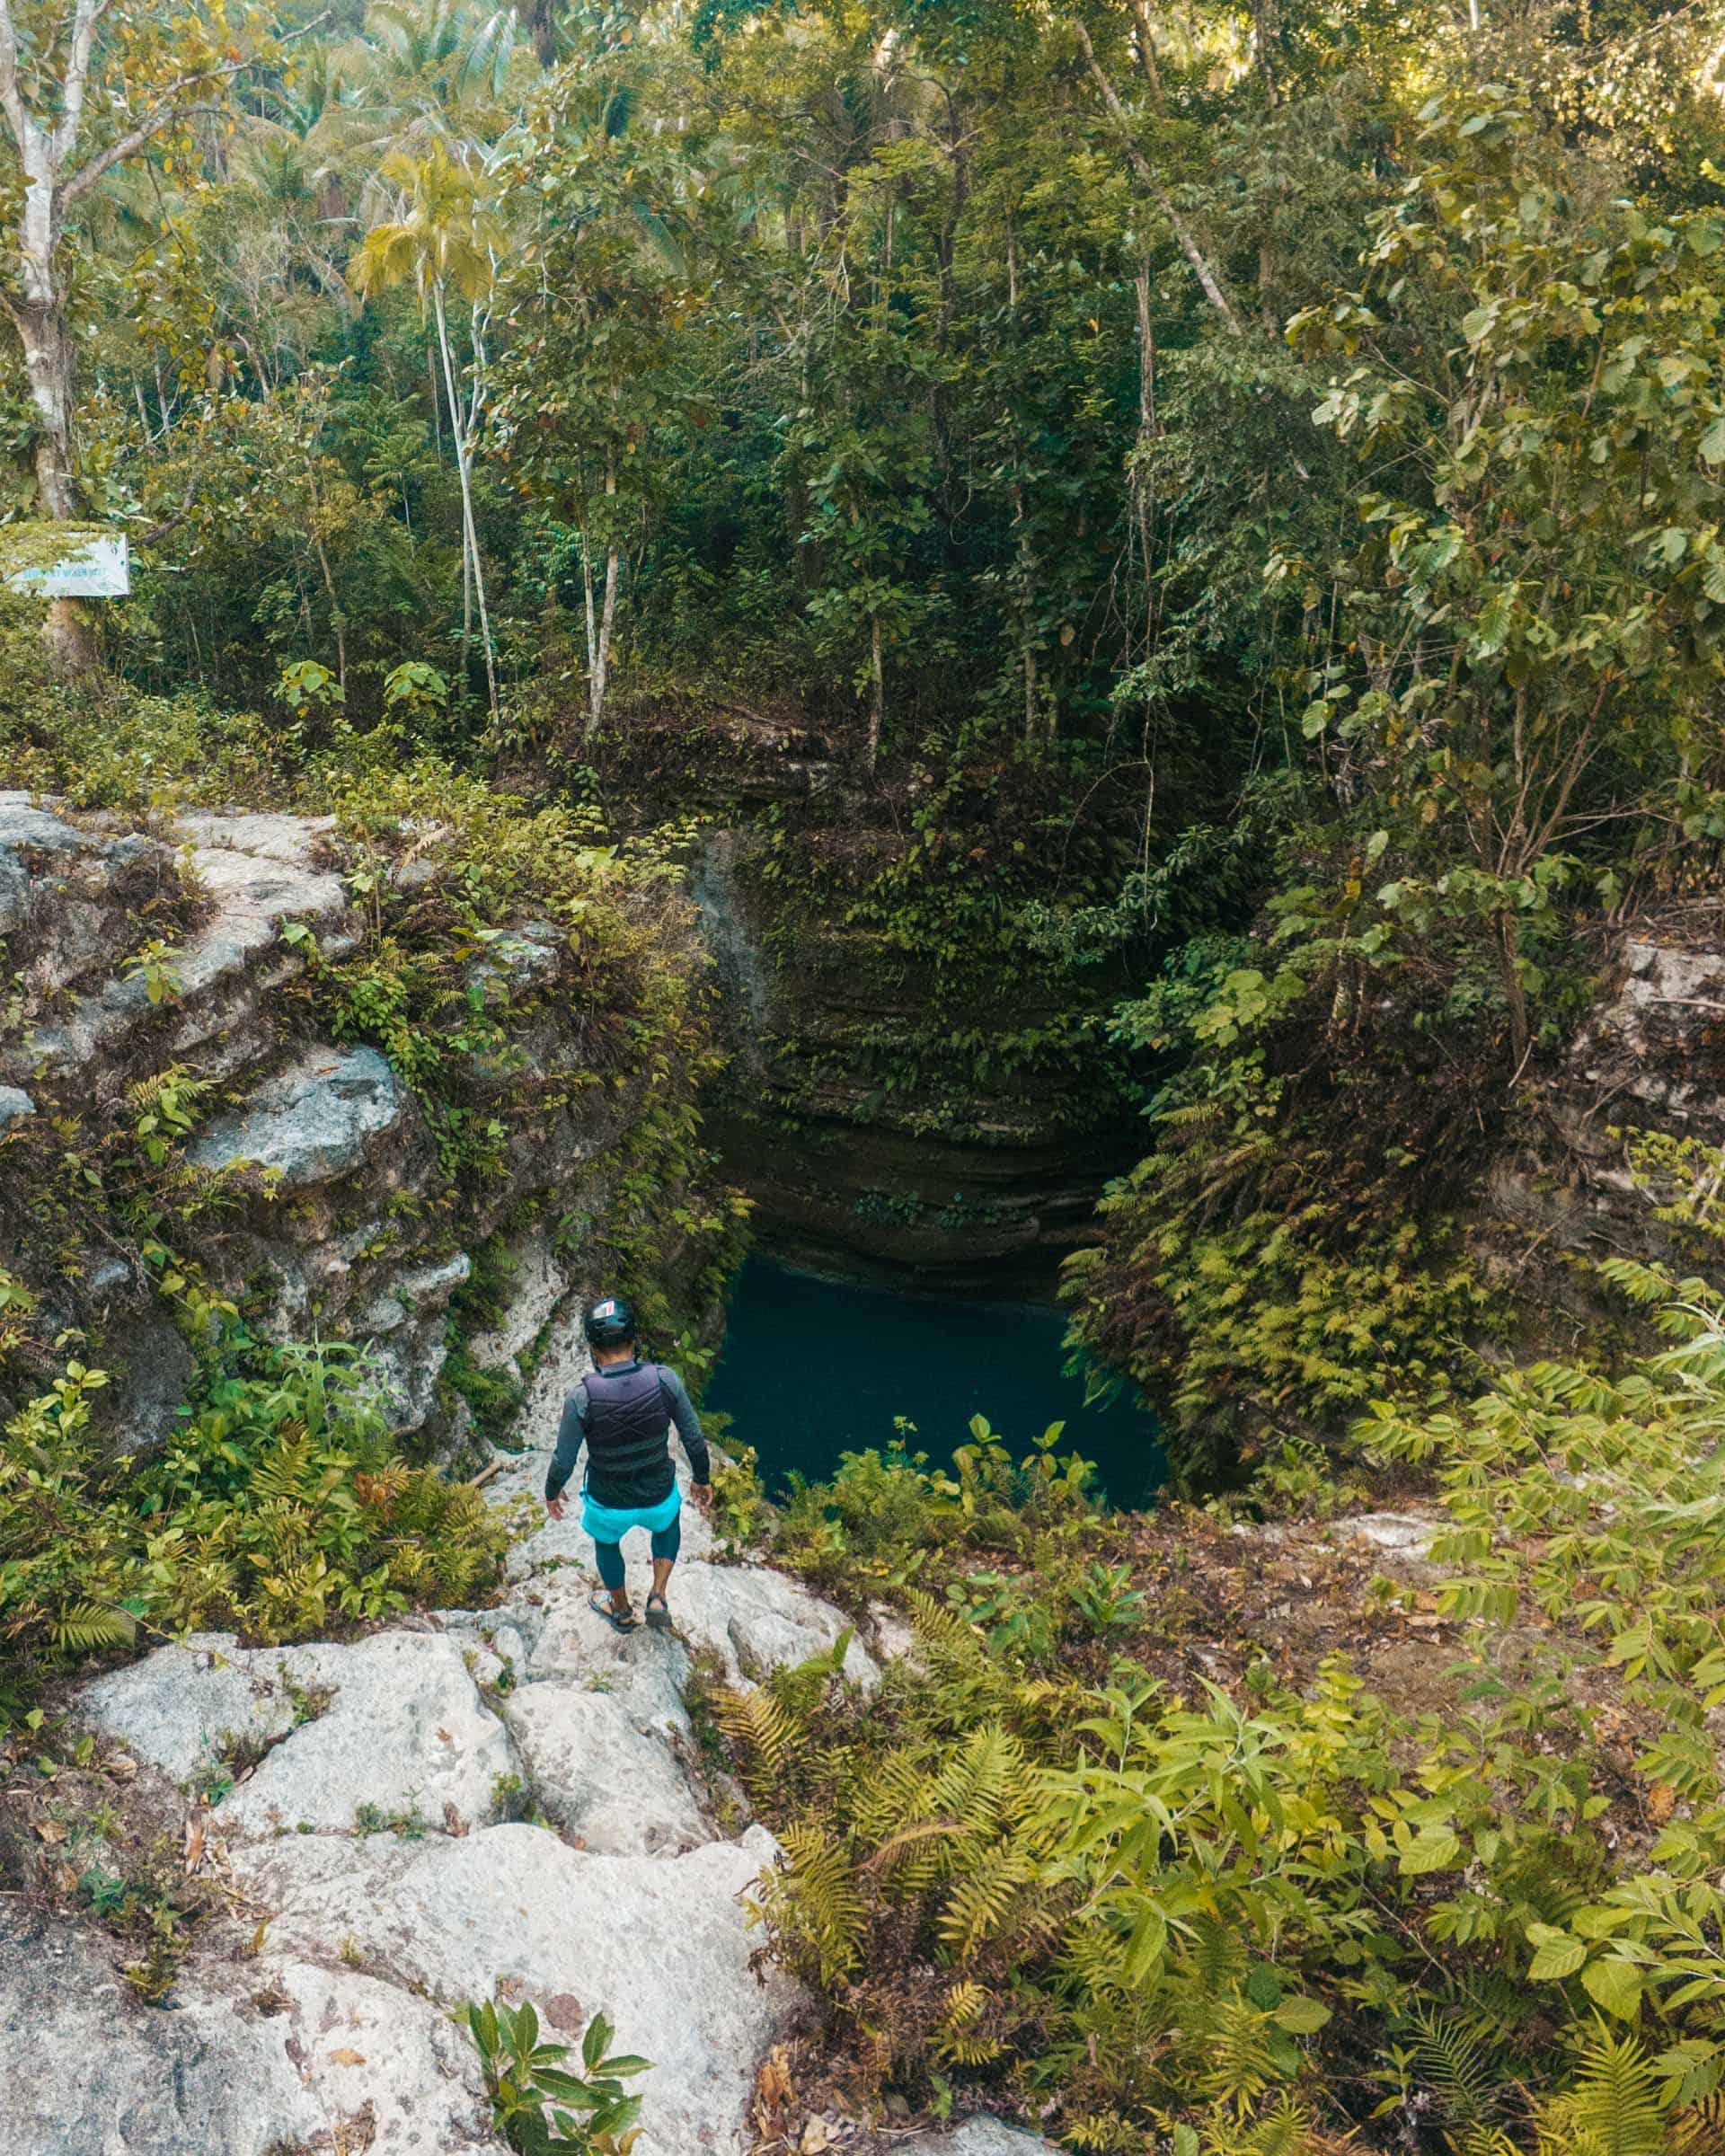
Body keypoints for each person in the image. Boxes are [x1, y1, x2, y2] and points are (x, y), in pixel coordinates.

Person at [544, 1294, 711, 1634]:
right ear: (635, 1339)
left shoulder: (581, 1397)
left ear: (593, 1349)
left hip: (609, 1500)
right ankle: (658, 1597)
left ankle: (620, 1610)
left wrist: (552, 1490)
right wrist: (702, 1478)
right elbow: (693, 1437)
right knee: (667, 1525)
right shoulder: (665, 1380)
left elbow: (564, 1458)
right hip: (657, 1494)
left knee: (606, 1543)